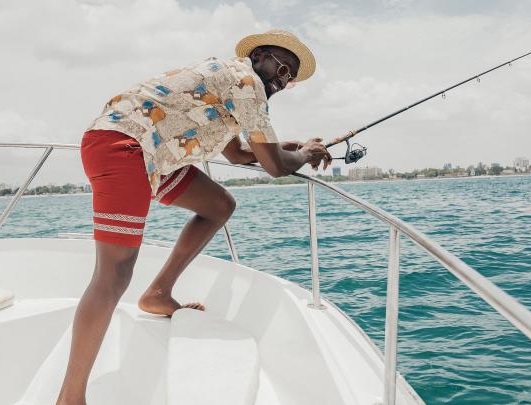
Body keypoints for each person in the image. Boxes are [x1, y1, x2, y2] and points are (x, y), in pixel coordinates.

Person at [56, 29, 331, 405]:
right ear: (260, 55)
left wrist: (291, 147)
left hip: (154, 157)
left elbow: (239, 155)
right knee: (114, 275)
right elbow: (274, 167)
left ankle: (157, 294)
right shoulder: (247, 81)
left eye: (290, 78)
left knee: (218, 205)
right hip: (123, 148)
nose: (282, 81)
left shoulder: (231, 83)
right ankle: (70, 399)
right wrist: (307, 153)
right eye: (281, 68)